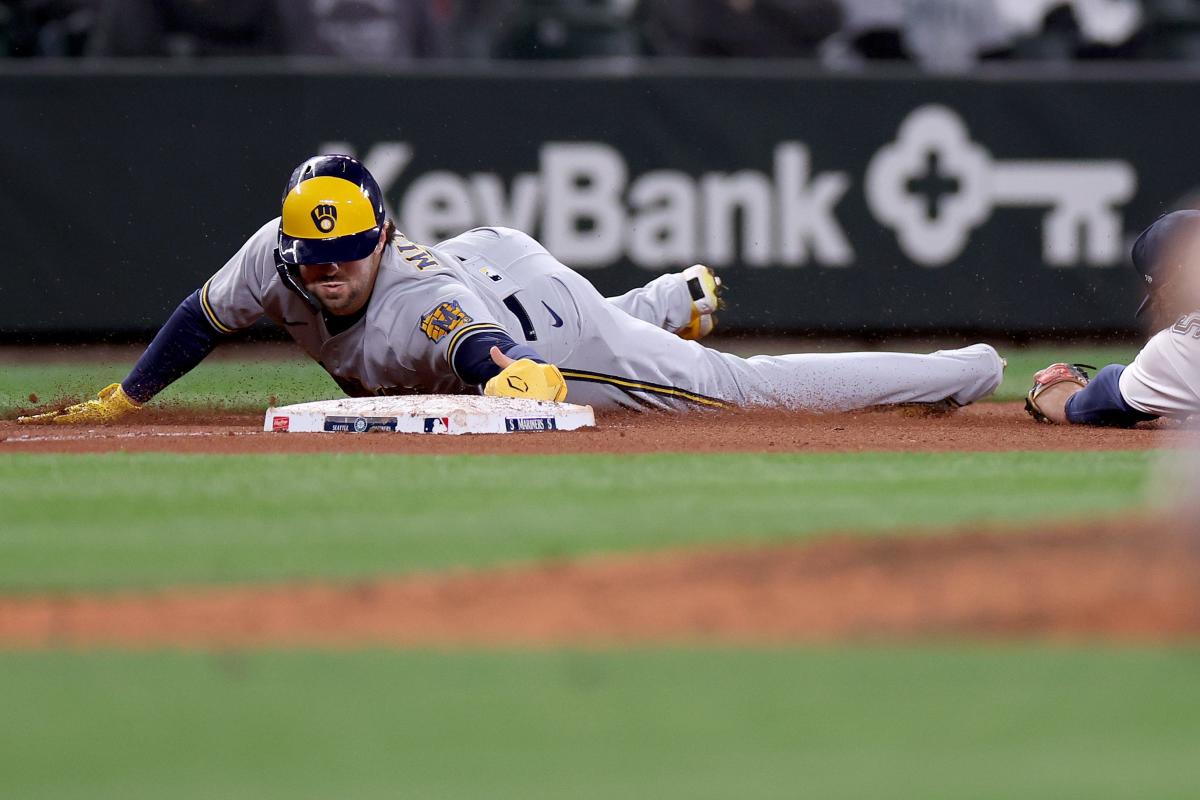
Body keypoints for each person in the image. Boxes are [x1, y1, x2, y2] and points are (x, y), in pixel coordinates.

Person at [18, 154, 1005, 425]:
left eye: (347, 250)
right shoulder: (272, 253)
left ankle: (962, 369)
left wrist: (517, 379)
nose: (323, 268)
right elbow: (199, 319)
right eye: (311, 254)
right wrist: (127, 394)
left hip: (540, 321)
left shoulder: (414, 297)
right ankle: (665, 295)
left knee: (739, 388)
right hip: (501, 259)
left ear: (384, 235)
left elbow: (490, 355)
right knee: (620, 334)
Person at [1025, 210, 1200, 427]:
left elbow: (1093, 400)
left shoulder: (1179, 343)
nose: (1163, 310)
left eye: (1160, 296)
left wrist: (1060, 393)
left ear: (1172, 286)